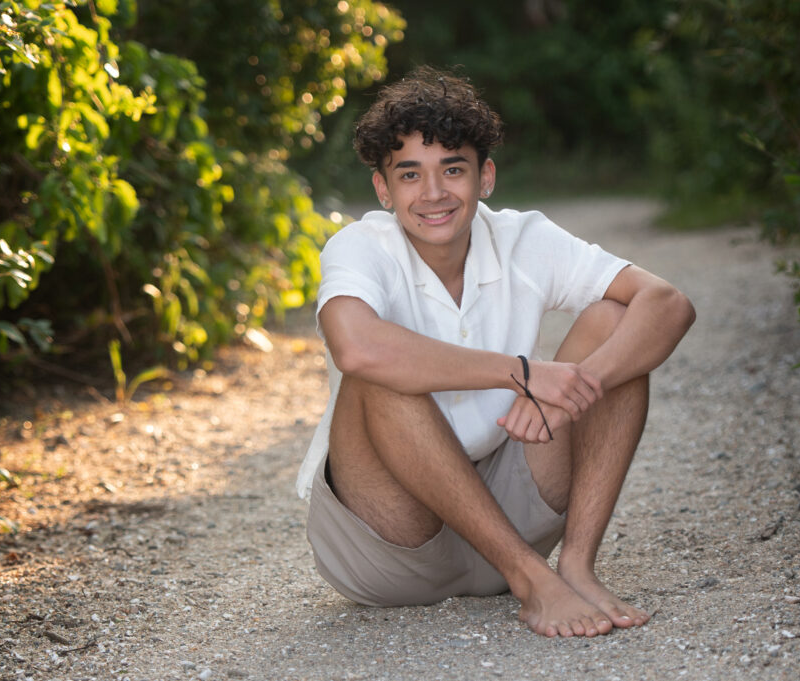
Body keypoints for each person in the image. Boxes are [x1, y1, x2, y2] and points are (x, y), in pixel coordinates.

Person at [295, 66, 695, 638]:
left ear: (485, 177)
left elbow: (667, 302)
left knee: (615, 323)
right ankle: (531, 580)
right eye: (410, 175)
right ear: (384, 189)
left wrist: (578, 386)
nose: (433, 193)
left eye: (452, 169)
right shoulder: (361, 246)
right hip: (393, 548)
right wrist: (525, 374)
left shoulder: (522, 239)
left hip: (514, 515)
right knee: (379, 374)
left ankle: (575, 568)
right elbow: (355, 348)